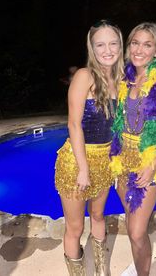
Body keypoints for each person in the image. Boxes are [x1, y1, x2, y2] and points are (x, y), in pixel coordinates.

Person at [110, 22, 156, 276]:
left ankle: (143, 272)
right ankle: (139, 262)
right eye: (135, 42)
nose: (139, 49)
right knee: (132, 225)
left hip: (148, 161)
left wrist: (152, 166)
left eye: (147, 44)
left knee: (137, 230)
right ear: (128, 46)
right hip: (121, 160)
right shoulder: (124, 77)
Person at [55, 20, 124, 276]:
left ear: (120, 45)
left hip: (105, 161)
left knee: (98, 217)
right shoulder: (85, 76)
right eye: (100, 44)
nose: (107, 50)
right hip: (76, 161)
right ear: (92, 48)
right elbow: (74, 124)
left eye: (113, 43)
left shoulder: (121, 79)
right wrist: (83, 169)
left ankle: (101, 271)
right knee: (74, 228)